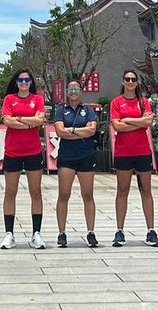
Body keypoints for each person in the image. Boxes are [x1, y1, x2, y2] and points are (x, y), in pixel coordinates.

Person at [110, 69, 158, 247]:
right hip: (123, 152)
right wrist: (137, 122)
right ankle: (120, 230)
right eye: (127, 79)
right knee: (122, 190)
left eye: (133, 79)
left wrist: (128, 121)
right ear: (123, 82)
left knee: (146, 190)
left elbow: (147, 123)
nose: (130, 82)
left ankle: (151, 230)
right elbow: (117, 126)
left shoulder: (144, 102)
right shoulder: (116, 102)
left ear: (137, 82)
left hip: (142, 151)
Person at [0, 68, 47, 249]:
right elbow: (7, 121)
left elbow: (40, 120)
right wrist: (29, 121)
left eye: (27, 80)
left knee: (35, 192)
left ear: (31, 82)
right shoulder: (9, 99)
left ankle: (36, 233)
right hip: (13, 151)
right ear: (16, 81)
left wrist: (19, 119)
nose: (24, 83)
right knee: (10, 192)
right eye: (21, 79)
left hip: (33, 151)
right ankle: (9, 234)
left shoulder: (38, 99)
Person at [53, 79, 99, 248]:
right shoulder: (60, 111)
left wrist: (70, 130)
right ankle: (62, 233)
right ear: (67, 91)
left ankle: (91, 232)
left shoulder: (88, 111)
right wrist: (80, 132)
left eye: (76, 89)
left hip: (86, 155)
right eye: (70, 88)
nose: (73, 91)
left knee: (88, 194)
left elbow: (92, 131)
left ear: (81, 92)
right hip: (67, 157)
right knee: (64, 194)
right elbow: (60, 132)